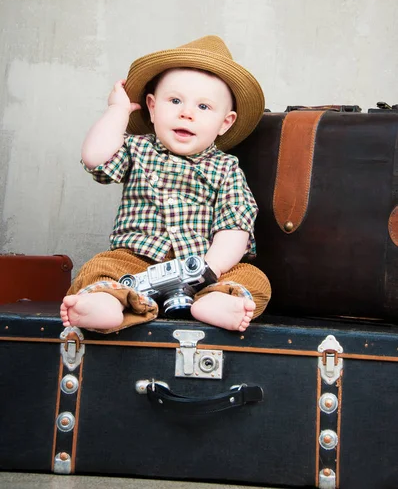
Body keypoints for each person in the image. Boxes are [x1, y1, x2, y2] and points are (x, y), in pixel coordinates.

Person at [60, 35, 271, 334]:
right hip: (136, 260)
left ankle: (217, 301)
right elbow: (96, 159)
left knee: (253, 277)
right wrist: (117, 111)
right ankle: (106, 303)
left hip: (203, 266)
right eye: (175, 101)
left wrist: (210, 268)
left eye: (204, 106)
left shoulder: (226, 168)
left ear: (225, 122)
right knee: (99, 267)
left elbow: (235, 223)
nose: (187, 112)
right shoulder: (137, 149)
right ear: (152, 107)